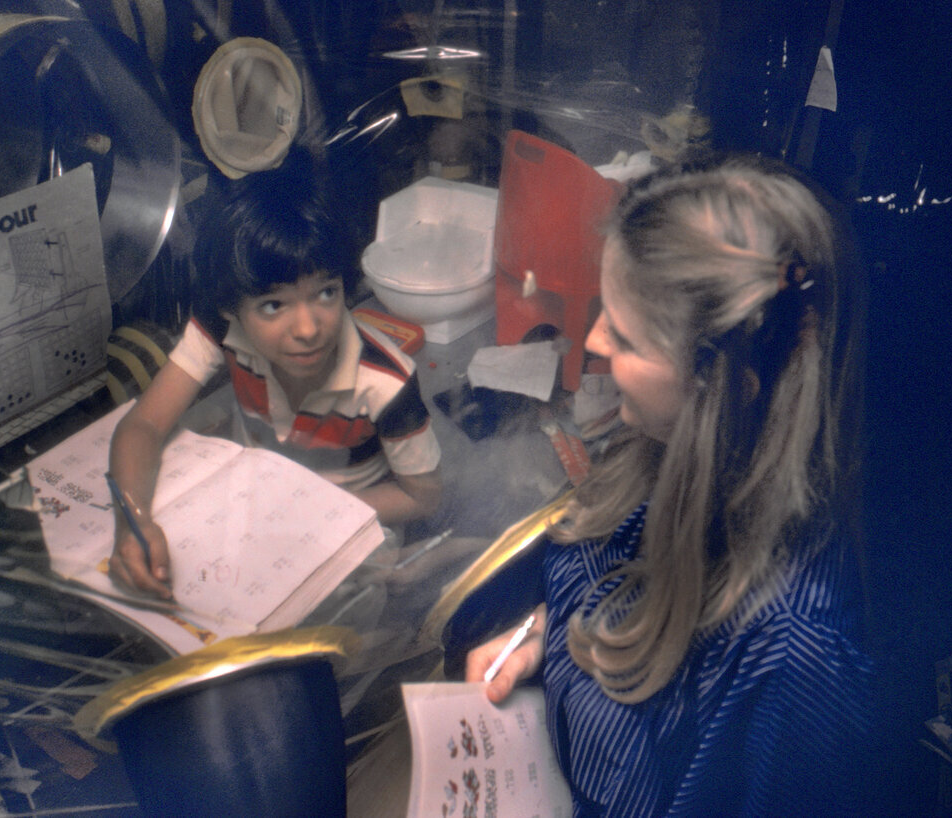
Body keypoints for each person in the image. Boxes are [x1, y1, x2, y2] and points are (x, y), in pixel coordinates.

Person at [465, 155, 876, 815]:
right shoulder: (652, 447)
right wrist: (547, 639)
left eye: (626, 338)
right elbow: (614, 588)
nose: (595, 341)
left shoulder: (794, 653)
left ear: (720, 392)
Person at [108, 145, 442, 599]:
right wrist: (133, 523)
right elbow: (145, 424)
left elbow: (425, 497)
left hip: (348, 530)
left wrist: (306, 512)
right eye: (273, 305)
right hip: (249, 510)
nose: (307, 329)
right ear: (232, 309)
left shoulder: (387, 383)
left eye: (326, 293)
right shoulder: (221, 328)